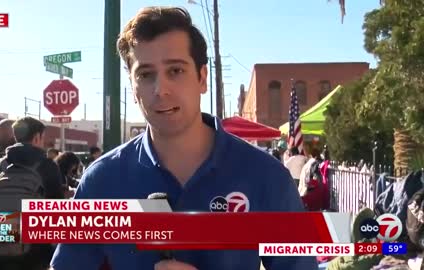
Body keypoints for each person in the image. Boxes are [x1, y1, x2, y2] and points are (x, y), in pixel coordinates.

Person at [51, 6, 317, 270]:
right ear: (133, 88)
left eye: (175, 71)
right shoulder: (102, 181)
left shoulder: (266, 176)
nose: (160, 90)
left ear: (202, 78)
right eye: (145, 75)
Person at [0, 117, 64, 270]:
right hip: (37, 251)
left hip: (2, 249)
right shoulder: (48, 167)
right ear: (37, 137)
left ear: (15, 136)